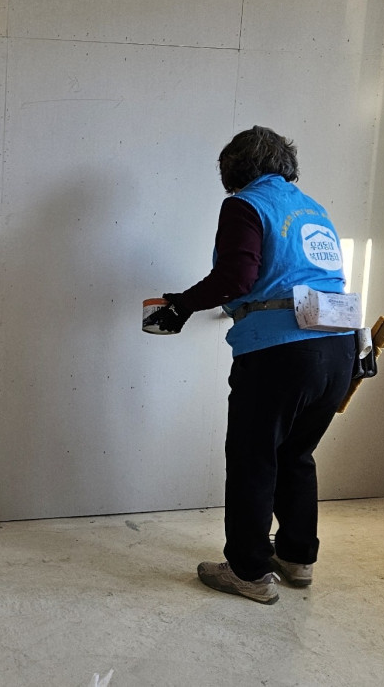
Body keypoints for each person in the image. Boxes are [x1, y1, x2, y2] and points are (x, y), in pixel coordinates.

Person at [144, 126, 356, 605]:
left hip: (281, 354)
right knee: (296, 455)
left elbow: (237, 276)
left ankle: (248, 571)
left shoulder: (245, 205)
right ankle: (297, 558)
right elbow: (296, 277)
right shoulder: (313, 209)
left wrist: (182, 305)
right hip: (337, 349)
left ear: (233, 170)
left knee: (253, 459)